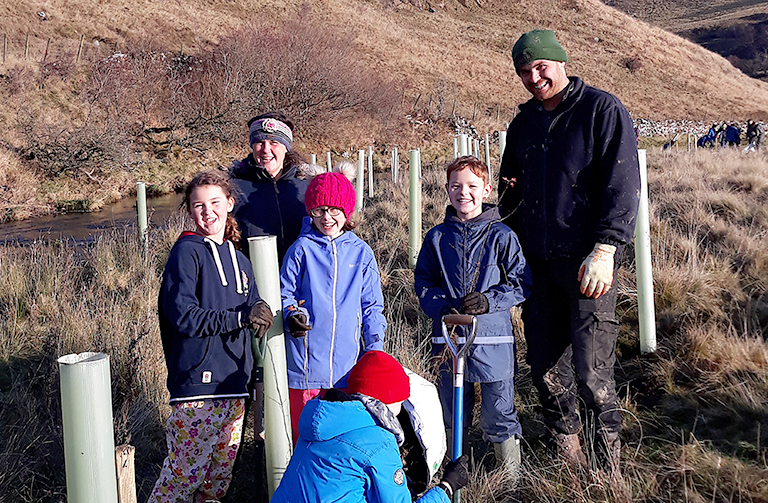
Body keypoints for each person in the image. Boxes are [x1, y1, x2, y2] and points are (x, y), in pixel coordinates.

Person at [498, 29, 640, 475]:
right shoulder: (522, 125)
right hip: (537, 267)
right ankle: (568, 452)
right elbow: (509, 194)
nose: (533, 77)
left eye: (540, 66)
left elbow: (623, 185)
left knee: (591, 370)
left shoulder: (601, 110)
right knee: (544, 368)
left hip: (586, 265)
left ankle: (608, 464)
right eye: (524, 71)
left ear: (561, 62)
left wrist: (606, 248)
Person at [149, 171, 274, 503]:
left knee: (216, 481)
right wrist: (239, 317)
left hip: (234, 385)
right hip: (196, 388)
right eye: (198, 205)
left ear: (229, 204)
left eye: (215, 202)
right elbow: (184, 317)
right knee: (181, 479)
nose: (208, 212)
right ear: (190, 211)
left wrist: (260, 308)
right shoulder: (186, 253)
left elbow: (253, 305)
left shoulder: (240, 259)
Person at [413, 156, 532, 477]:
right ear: (447, 190)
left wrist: (489, 300)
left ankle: (508, 484)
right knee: (453, 413)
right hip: (448, 339)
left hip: (492, 340)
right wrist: (440, 306)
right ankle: (454, 479)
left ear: (486, 189)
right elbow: (423, 281)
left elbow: (521, 281)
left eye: (471, 186)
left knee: (498, 412)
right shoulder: (437, 238)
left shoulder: (501, 235)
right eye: (455, 186)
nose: (463, 193)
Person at [270, 350, 470, 503]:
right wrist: (447, 487)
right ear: (388, 400)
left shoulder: (317, 424)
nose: (401, 409)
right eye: (400, 400)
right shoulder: (378, 441)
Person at [280, 162, 387, 441]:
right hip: (304, 366)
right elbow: (284, 293)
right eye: (319, 210)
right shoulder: (300, 250)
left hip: (346, 369)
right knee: (303, 435)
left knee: (340, 436)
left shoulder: (361, 253)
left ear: (346, 211)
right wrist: (291, 314)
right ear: (310, 212)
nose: (327, 217)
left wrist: (374, 350)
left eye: (334, 210)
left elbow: (372, 307)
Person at [229, 112, 309, 260]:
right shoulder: (233, 187)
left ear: (286, 147)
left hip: (300, 277)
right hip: (254, 278)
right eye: (260, 142)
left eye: (274, 143)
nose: (266, 150)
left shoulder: (306, 185)